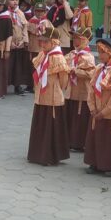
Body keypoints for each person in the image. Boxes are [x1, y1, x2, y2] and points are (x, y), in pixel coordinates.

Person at [84, 37, 111, 176]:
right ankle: (95, 162)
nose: (100, 55)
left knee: (108, 139)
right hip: (96, 110)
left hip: (109, 113)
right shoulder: (98, 69)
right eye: (99, 52)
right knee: (95, 136)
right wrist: (92, 107)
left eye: (102, 52)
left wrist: (105, 112)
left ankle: (109, 165)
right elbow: (91, 89)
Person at [27, 27, 70, 166]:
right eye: (41, 42)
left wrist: (57, 89)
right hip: (41, 96)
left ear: (54, 42)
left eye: (46, 42)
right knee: (40, 124)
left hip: (53, 97)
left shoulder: (58, 57)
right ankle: (37, 153)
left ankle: (50, 155)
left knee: (51, 126)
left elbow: (64, 80)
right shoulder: (42, 55)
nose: (42, 45)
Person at [66, 27, 96, 152]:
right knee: (70, 114)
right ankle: (68, 140)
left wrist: (75, 71)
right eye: (74, 38)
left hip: (82, 90)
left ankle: (79, 142)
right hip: (70, 89)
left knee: (80, 116)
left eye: (78, 38)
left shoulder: (88, 57)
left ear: (85, 40)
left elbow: (91, 73)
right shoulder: (72, 54)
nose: (74, 40)